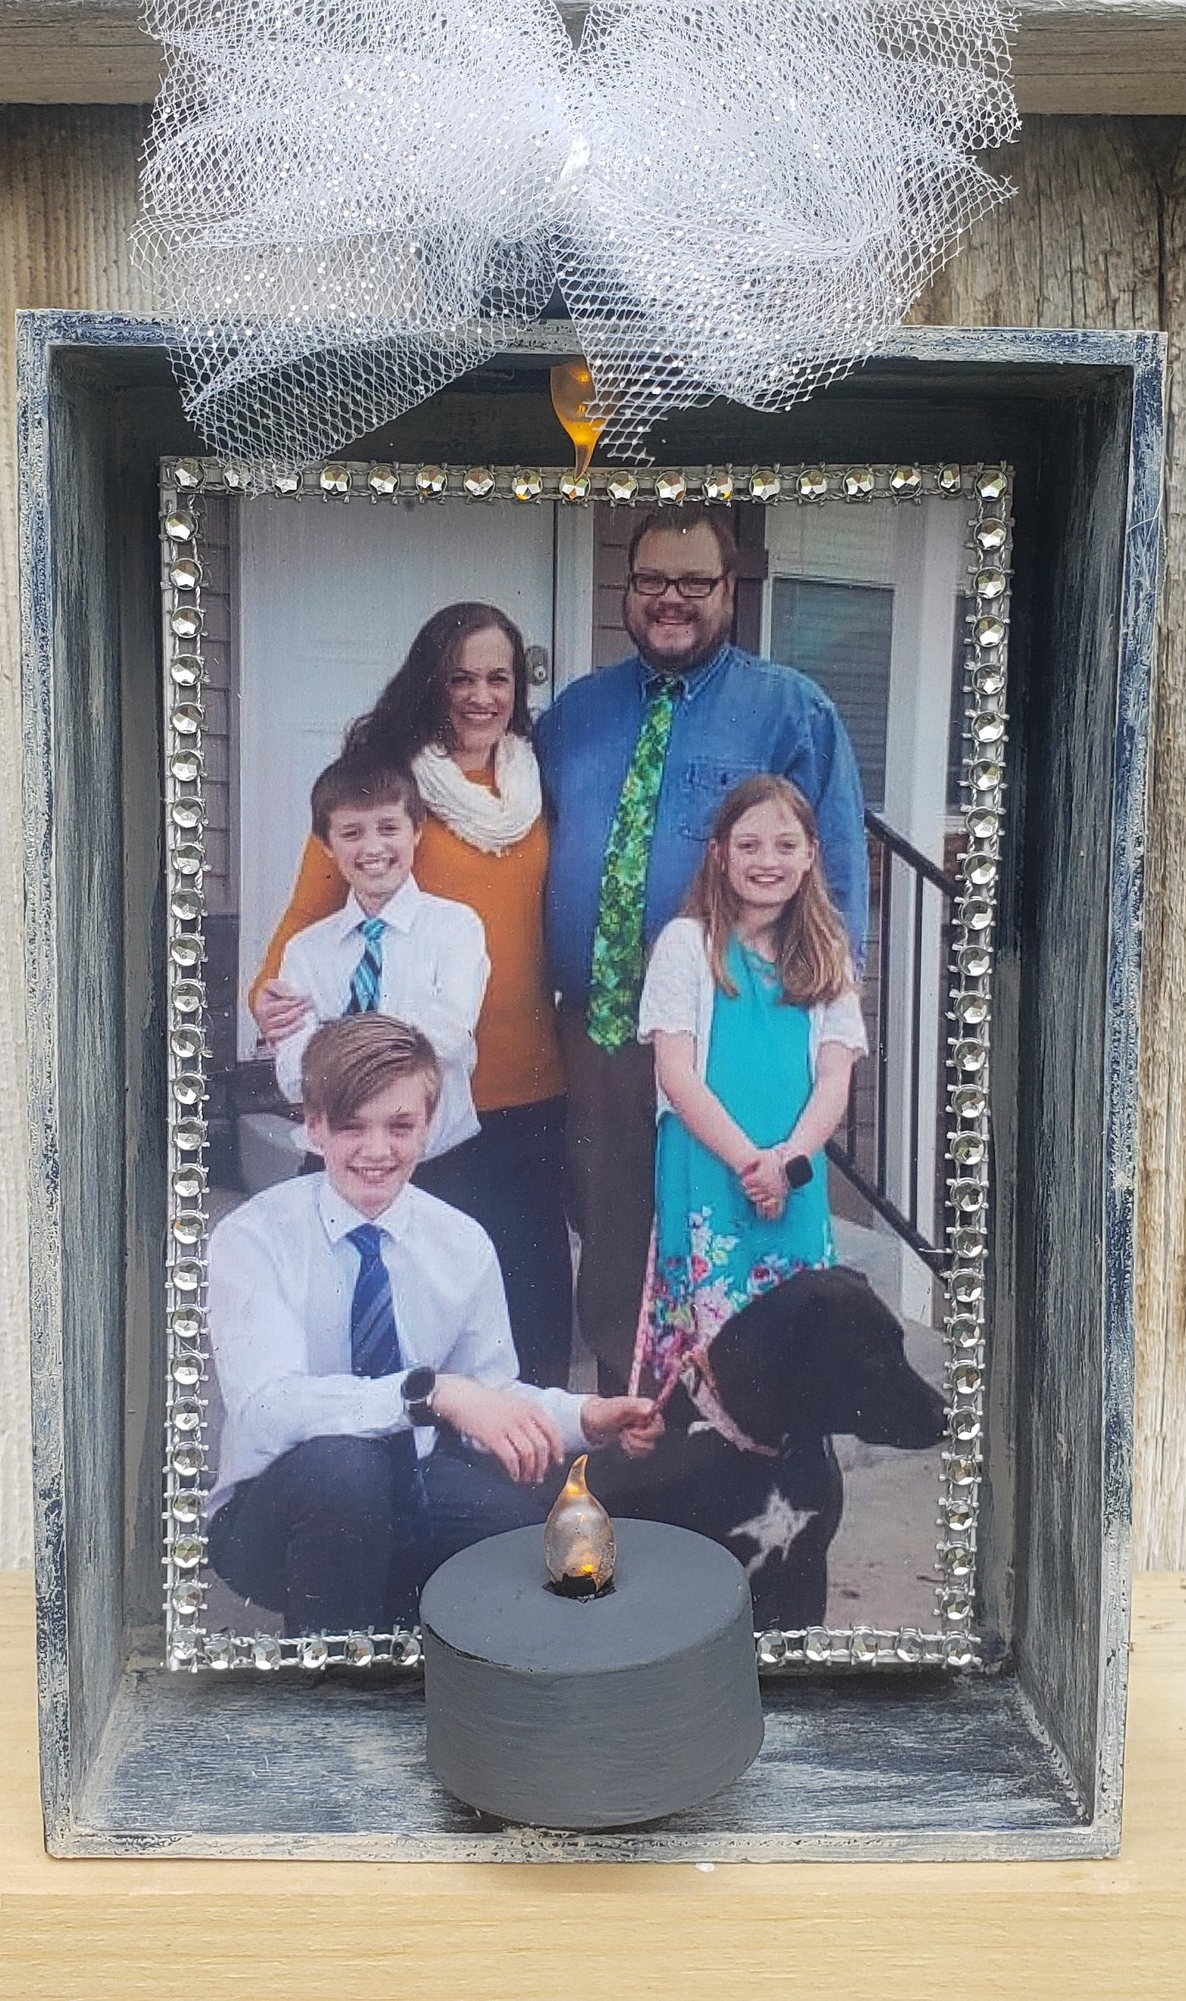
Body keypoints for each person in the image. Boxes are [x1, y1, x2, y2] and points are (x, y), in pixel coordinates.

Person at [534, 503, 867, 1390]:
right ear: (626, 590)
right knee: (615, 1224)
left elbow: (834, 869)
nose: (669, 599)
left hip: (738, 1026)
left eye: (693, 581)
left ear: (729, 588)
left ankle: (748, 1409)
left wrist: (825, 1012)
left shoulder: (791, 709)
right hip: (602, 1028)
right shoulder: (576, 713)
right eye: (650, 580)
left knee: (741, 1211)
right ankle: (628, 1414)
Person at [205, 1015, 659, 1636]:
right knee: (347, 1472)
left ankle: (444, 1685)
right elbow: (268, 1408)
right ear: (312, 1126)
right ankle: (328, 1702)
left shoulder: (459, 1241)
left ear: (429, 1125)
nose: (376, 1150)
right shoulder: (253, 1238)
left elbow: (490, 1393)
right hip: (276, 1512)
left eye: (400, 1126)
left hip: (411, 1485)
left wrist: (583, 1417)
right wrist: (430, 1391)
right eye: (350, 1126)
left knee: (537, 1550)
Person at [251, 603, 572, 1387]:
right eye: (460, 677)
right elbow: (307, 914)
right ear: (430, 681)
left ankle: (532, 1476)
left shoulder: (532, 777)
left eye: (498, 677)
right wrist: (269, 999)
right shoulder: (392, 787)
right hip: (415, 1097)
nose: (480, 695)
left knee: (524, 1303)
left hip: (527, 1081)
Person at [633, 775, 867, 1396]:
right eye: (750, 845)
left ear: (811, 854)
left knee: (797, 1343)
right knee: (714, 1350)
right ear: (720, 853)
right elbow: (676, 1075)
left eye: (786, 846)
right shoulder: (687, 946)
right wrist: (748, 1163)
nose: (768, 861)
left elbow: (835, 1076)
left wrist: (788, 1161)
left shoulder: (827, 952)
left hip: (795, 1176)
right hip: (711, 1172)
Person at [271, 758, 488, 1171]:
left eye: (389, 828)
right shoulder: (306, 951)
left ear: (417, 831)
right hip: (333, 1158)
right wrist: (399, 1039)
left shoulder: (456, 928)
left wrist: (333, 1041)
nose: (373, 848)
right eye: (352, 833)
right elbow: (294, 1074)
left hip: (436, 1159)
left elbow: (449, 1035)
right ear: (327, 846)